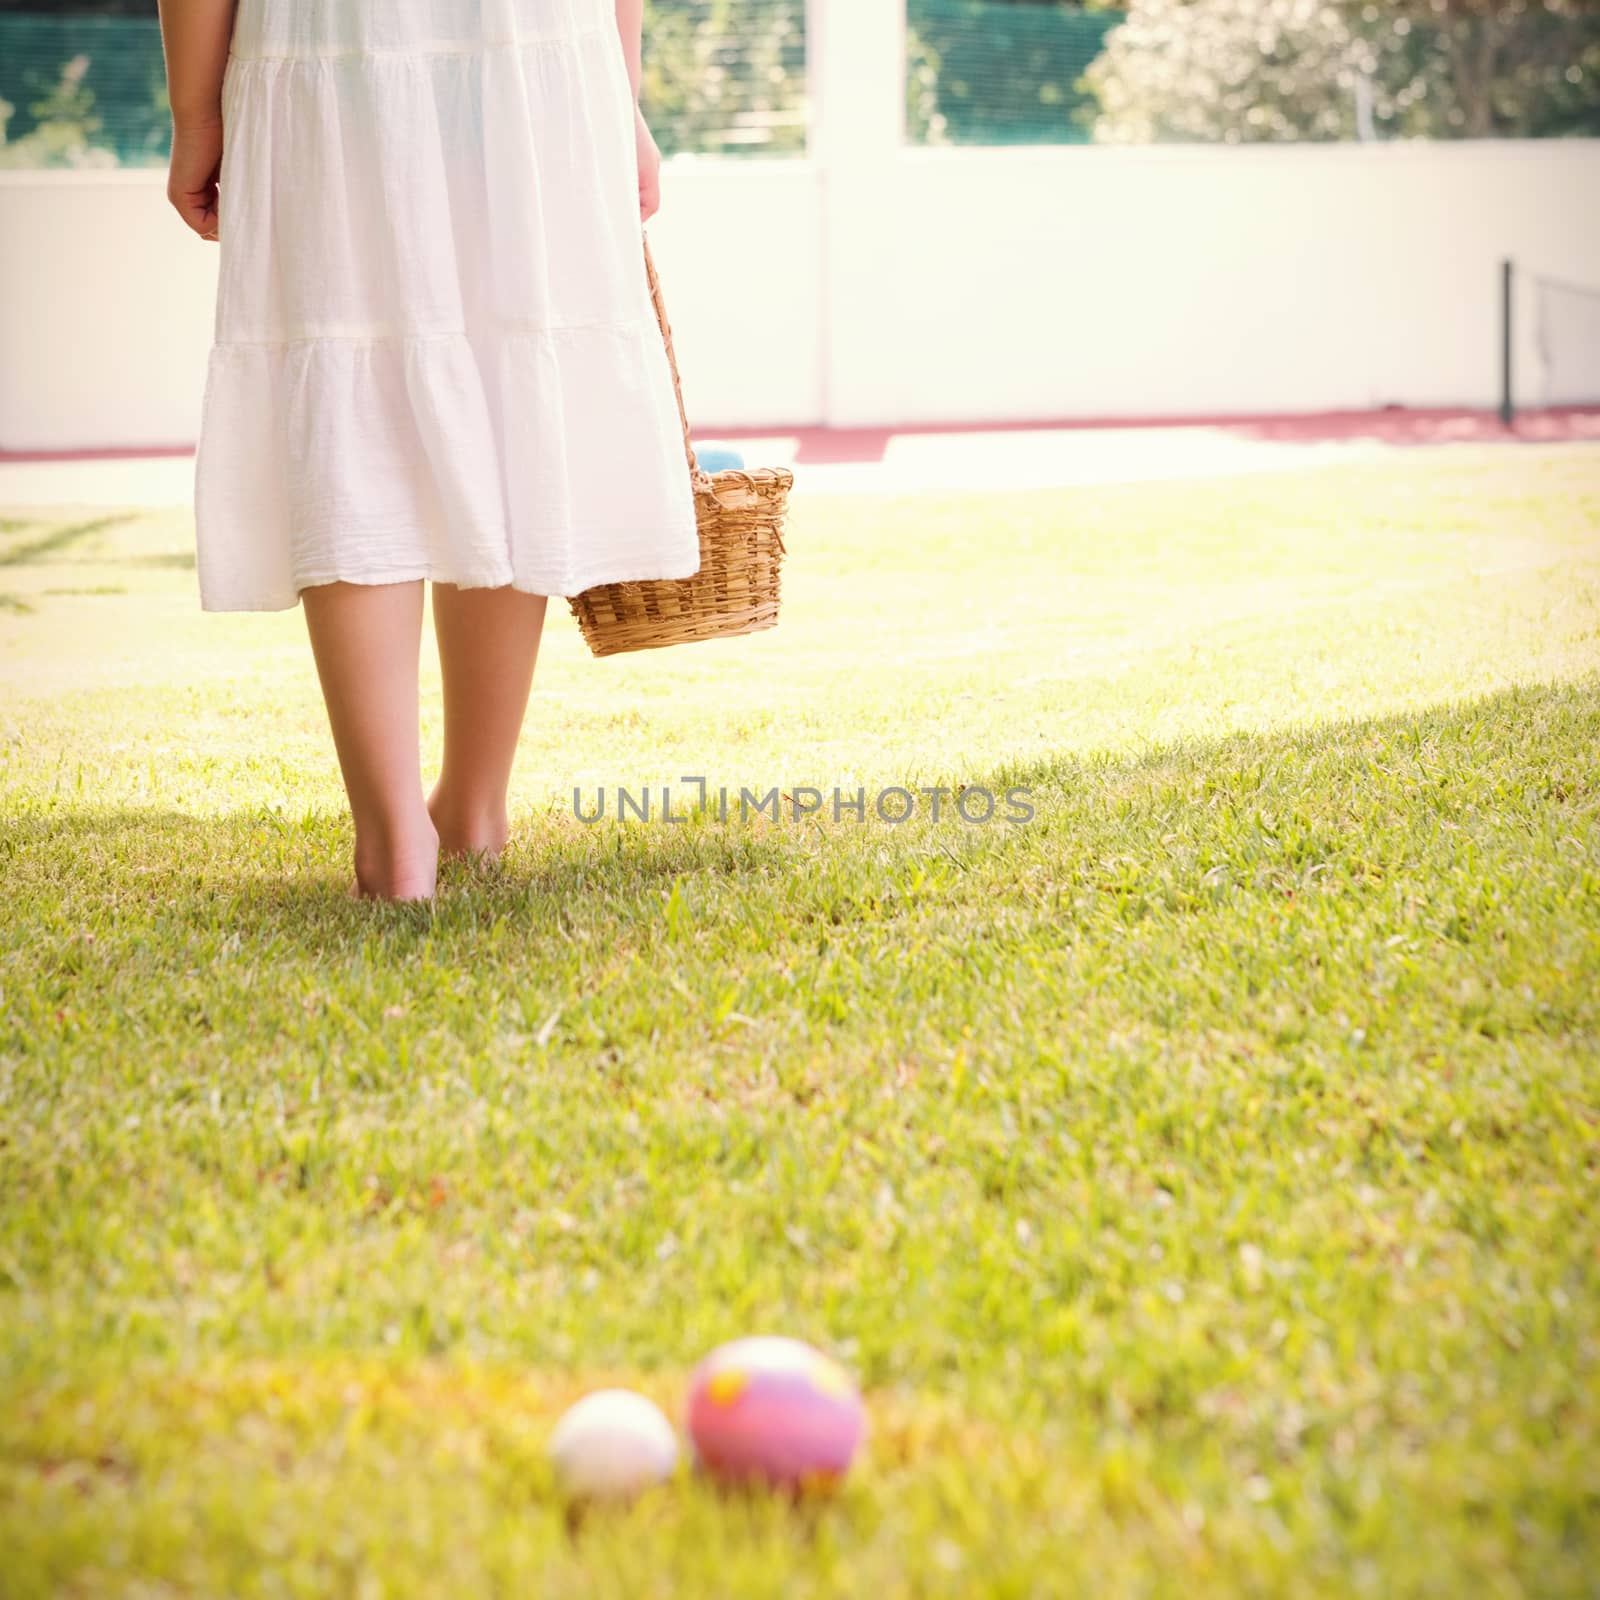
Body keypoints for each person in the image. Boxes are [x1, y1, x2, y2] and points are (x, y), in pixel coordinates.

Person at [158, 0, 701, 901]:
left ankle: (395, 842)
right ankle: (474, 811)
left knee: (353, 384)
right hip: (536, 42)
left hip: (337, 38)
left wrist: (196, 115)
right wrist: (619, 87)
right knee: (502, 383)